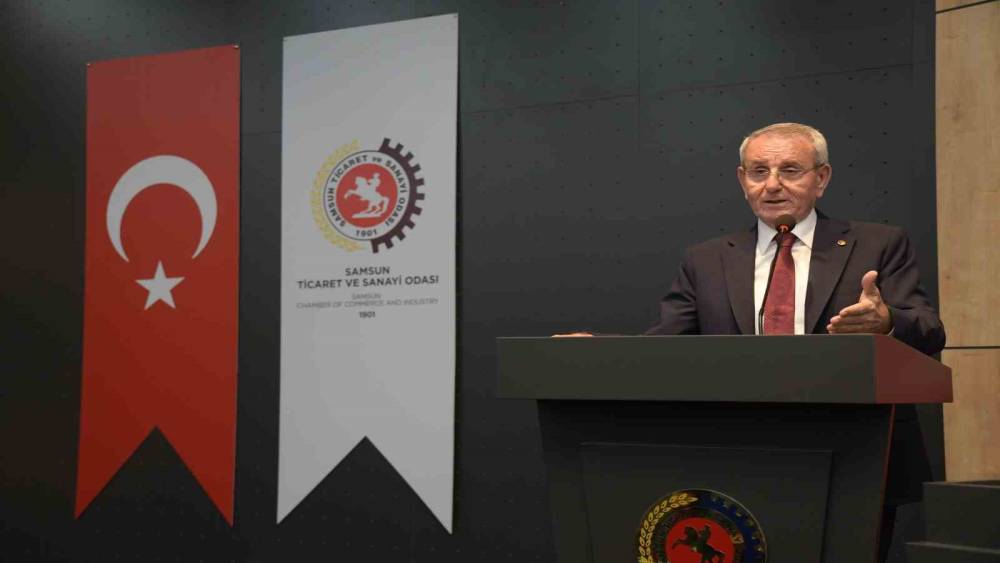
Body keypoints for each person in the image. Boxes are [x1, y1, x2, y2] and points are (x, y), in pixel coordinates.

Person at [558, 122, 945, 561]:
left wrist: (887, 321)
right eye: (759, 171)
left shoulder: (878, 244)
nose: (772, 184)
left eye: (790, 170)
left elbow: (930, 331)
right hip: (741, 454)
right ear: (743, 180)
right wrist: (596, 350)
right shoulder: (707, 259)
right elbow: (664, 345)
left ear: (821, 178)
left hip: (855, 456)